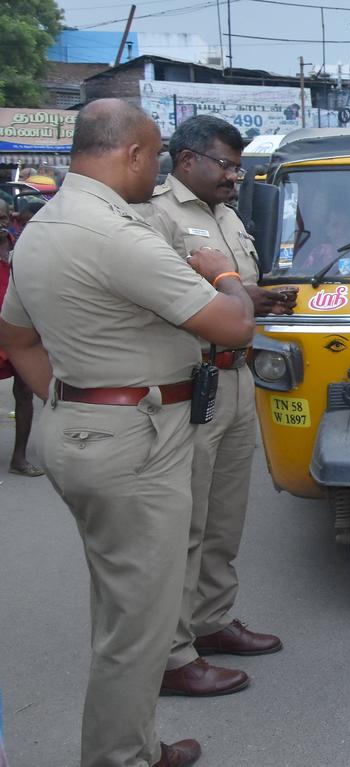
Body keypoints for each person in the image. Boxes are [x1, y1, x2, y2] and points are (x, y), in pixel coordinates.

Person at [0, 99, 254, 767]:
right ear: (135, 153)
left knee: (120, 605)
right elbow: (235, 325)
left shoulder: (45, 224)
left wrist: (70, 403)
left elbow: (17, 339)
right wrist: (220, 273)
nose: (160, 167)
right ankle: (119, 757)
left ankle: (136, 742)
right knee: (138, 626)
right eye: (158, 155)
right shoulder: (118, 235)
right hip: (136, 443)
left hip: (85, 429)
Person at [135, 115, 291, 699]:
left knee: (225, 518)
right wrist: (238, 296)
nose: (236, 175)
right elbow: (170, 299)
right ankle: (174, 653)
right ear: (187, 160)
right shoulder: (154, 215)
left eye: (237, 164)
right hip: (188, 382)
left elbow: (232, 294)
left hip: (235, 378)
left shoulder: (227, 215)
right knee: (186, 523)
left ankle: (212, 621)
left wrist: (258, 300)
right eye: (225, 163)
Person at [0, 200, 41, 477]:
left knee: (25, 391)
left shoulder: (18, 242)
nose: (0, 222)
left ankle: (19, 457)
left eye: (2, 217)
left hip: (17, 326)